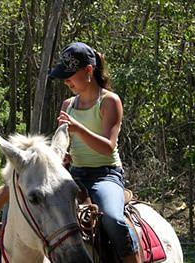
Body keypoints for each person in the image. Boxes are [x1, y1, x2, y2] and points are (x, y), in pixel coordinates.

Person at [49, 42, 141, 263]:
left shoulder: (109, 101)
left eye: (70, 75)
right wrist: (63, 157)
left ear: (89, 71)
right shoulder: (68, 105)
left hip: (105, 174)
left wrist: (78, 129)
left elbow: (108, 146)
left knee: (112, 219)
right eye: (64, 76)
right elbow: (63, 143)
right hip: (75, 174)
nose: (66, 80)